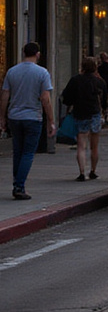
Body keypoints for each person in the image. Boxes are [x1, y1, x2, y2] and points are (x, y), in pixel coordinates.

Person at [1, 42, 56, 200]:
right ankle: (19, 186)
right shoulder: (42, 73)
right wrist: (51, 120)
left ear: (23, 53)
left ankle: (17, 183)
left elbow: (5, 96)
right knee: (28, 153)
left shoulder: (12, 72)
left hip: (15, 116)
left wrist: (2, 117)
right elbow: (45, 99)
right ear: (38, 54)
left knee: (17, 151)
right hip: (33, 117)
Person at [61, 56, 107, 181]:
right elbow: (104, 101)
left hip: (80, 113)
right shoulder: (99, 82)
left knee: (81, 145)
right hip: (95, 113)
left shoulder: (75, 80)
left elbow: (66, 98)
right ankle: (93, 171)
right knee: (94, 146)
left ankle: (82, 172)